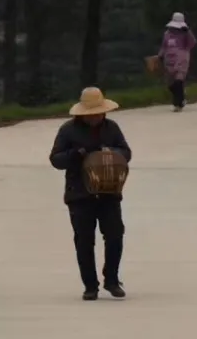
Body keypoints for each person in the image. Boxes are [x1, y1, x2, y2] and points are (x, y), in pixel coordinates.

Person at [48, 87, 133, 301]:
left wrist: (112, 153)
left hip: (109, 192)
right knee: (84, 240)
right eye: (91, 114)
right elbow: (56, 159)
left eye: (99, 113)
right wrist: (76, 155)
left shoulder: (112, 128)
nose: (96, 117)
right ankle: (90, 286)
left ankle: (112, 280)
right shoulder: (68, 130)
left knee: (115, 235)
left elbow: (126, 152)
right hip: (79, 194)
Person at [158, 11, 197, 111]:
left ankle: (178, 103)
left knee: (178, 81)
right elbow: (164, 46)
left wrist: (188, 32)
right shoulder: (167, 34)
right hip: (169, 60)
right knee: (171, 85)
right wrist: (160, 55)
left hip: (181, 59)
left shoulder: (185, 33)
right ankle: (181, 98)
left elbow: (192, 43)